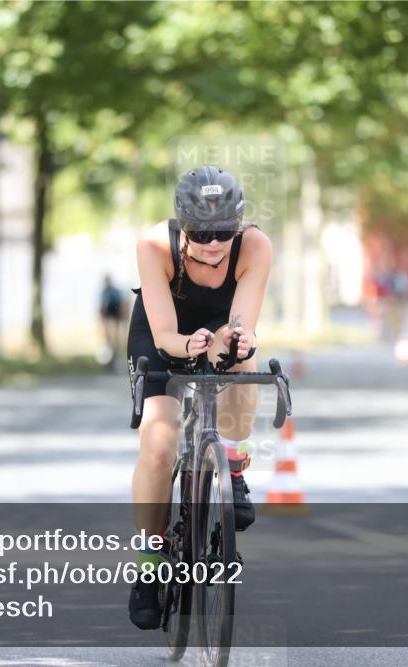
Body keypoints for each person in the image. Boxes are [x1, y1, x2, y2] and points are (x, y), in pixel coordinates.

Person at [125, 166, 272, 630]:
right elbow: (167, 334)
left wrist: (233, 343)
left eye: (224, 231)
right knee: (159, 442)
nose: (213, 243)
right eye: (201, 232)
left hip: (219, 326)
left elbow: (241, 324)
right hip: (162, 331)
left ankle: (233, 462)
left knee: (243, 361)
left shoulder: (255, 247)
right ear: (182, 225)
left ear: (241, 225)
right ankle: (150, 563)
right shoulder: (154, 245)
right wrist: (186, 345)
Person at [98, 275, 126, 367]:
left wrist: (122, 316)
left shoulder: (116, 291)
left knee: (116, 335)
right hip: (108, 314)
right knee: (108, 336)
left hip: (115, 313)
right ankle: (109, 352)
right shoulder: (104, 292)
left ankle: (116, 353)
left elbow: (121, 304)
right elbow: (101, 306)